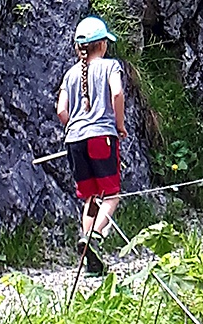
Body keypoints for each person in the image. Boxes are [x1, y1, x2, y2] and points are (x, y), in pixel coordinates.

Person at [55, 16, 127, 276]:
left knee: (91, 197)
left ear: (78, 49)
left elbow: (61, 109)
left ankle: (90, 260)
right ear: (103, 45)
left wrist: (74, 126)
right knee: (112, 194)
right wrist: (119, 125)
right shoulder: (110, 66)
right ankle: (94, 237)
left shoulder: (70, 74)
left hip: (74, 141)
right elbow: (117, 93)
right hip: (101, 137)